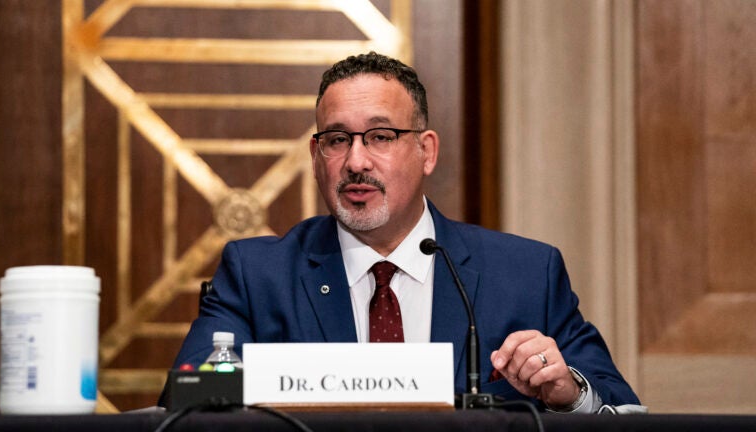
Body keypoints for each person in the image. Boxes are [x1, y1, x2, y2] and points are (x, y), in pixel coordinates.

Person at [167, 52, 640, 412]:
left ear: (427, 151)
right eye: (336, 140)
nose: (355, 162)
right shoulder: (257, 275)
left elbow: (625, 410)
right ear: (316, 159)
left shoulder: (524, 274)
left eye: (380, 137)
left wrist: (568, 393)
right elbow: (187, 402)